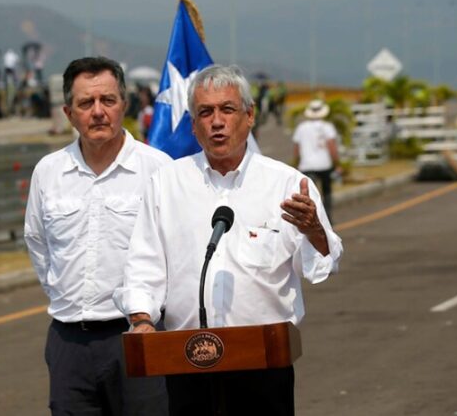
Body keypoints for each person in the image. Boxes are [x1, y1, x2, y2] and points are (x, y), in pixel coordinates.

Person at [114, 65, 343, 416]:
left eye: (227, 109)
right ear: (193, 125)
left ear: (249, 116)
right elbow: (144, 264)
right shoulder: (166, 184)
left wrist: (314, 230)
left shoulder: (286, 184)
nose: (217, 122)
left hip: (263, 363)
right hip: (187, 362)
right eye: (205, 112)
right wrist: (142, 319)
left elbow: (322, 266)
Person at [24, 56, 172, 416]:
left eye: (108, 100)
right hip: (69, 342)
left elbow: (176, 252)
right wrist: (66, 295)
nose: (98, 112)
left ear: (125, 104)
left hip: (139, 335)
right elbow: (38, 244)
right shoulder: (48, 172)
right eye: (85, 103)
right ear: (68, 113)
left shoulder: (158, 169)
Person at [292, 99, 341, 220]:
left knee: (310, 195)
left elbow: (297, 148)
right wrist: (337, 163)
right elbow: (332, 146)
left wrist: (296, 163)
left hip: (307, 165)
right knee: (326, 193)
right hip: (325, 165)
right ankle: (327, 218)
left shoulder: (302, 127)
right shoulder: (327, 127)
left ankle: (311, 218)